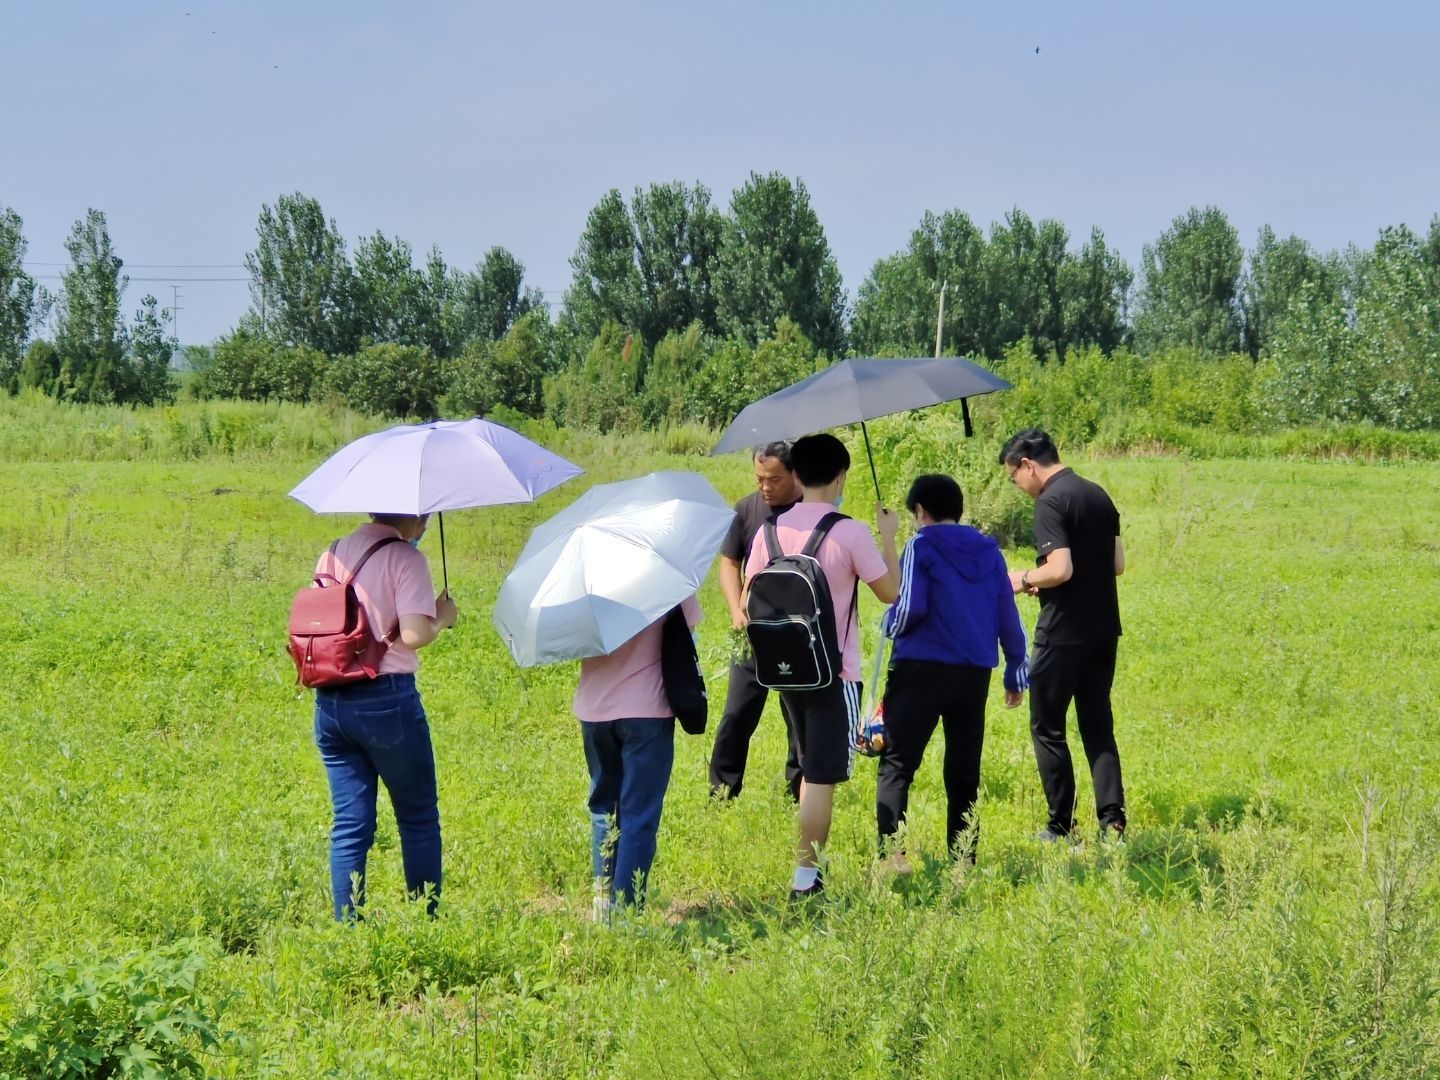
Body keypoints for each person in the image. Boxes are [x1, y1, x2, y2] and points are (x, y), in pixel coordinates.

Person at [743, 433, 900, 898]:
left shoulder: (769, 531)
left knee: (810, 766)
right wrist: (889, 537)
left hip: (786, 670)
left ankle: (811, 870)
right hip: (835, 674)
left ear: (796, 475)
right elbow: (890, 592)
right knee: (821, 775)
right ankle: (806, 879)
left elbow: (750, 597)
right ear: (840, 476)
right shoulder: (850, 532)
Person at [875, 474, 1028, 871]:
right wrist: (1015, 667)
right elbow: (1007, 611)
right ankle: (964, 859)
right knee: (963, 770)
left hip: (921, 669)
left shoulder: (920, 545)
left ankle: (893, 855)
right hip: (973, 674)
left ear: (920, 511)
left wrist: (888, 623)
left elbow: (910, 606)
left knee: (898, 763)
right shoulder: (990, 551)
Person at [311, 513, 458, 921]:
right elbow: (413, 634)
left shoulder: (332, 553)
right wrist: (443, 617)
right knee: (418, 815)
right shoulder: (406, 559)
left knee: (349, 823)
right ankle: (425, 921)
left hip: (331, 699)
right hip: (387, 699)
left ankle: (347, 927)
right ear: (415, 516)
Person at [999, 429, 1127, 840]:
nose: (1019, 486)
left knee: (1047, 726)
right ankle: (1113, 823)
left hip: (1062, 633)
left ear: (1027, 465)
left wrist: (1024, 578)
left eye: (1014, 477)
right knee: (1097, 725)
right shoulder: (1097, 494)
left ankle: (1061, 825)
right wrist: (1050, 579)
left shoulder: (1050, 501)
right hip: (1103, 629)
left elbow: (1061, 568)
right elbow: (1116, 564)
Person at [573, 594, 702, 920]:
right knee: (638, 816)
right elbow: (688, 635)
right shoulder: (667, 578)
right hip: (647, 711)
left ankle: (603, 904)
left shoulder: (585, 583)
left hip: (594, 710)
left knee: (603, 807)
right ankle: (627, 913)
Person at [710, 441, 804, 801]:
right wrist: (737, 610)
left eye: (774, 479)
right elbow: (729, 563)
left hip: (798, 633)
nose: (766, 487)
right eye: (759, 478)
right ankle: (722, 792)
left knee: (798, 719)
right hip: (753, 632)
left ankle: (799, 791)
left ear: (796, 474)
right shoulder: (746, 509)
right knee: (737, 714)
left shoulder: (811, 511)